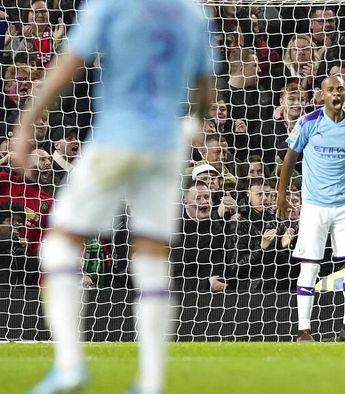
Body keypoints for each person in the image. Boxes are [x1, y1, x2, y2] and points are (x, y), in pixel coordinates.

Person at [12, 1, 215, 392]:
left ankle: (70, 365)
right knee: (153, 259)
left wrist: (26, 121)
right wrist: (195, 124)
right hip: (168, 145)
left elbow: (70, 64)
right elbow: (206, 84)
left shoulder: (111, 4)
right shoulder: (192, 12)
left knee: (59, 248)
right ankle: (151, 382)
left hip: (117, 138)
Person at [276, 75, 345, 342]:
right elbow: (289, 159)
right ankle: (304, 331)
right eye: (331, 89)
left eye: (340, 88)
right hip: (314, 207)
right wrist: (282, 196)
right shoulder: (308, 123)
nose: (336, 93)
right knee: (310, 266)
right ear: (322, 95)